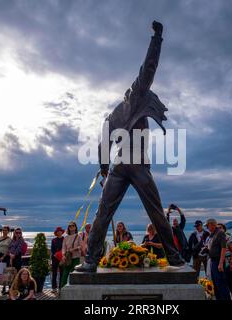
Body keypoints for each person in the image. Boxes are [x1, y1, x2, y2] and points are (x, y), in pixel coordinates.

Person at [75, 21, 185, 272]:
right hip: (134, 164)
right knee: (155, 212)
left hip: (118, 165)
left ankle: (91, 260)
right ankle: (175, 258)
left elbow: (104, 141)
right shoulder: (134, 97)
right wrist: (157, 39)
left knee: (104, 213)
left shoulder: (114, 113)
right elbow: (149, 67)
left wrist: (104, 167)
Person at [205, 218, 230, 300]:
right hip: (212, 261)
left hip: (217, 262)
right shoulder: (212, 234)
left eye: (207, 226)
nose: (207, 228)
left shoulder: (220, 233)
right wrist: (207, 250)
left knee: (221, 284)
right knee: (215, 284)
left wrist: (220, 263)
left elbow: (223, 248)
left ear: (212, 224)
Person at [218, 223, 232, 300]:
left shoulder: (227, 237)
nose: (219, 229)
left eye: (220, 227)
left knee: (230, 281)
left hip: (228, 260)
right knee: (222, 281)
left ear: (224, 229)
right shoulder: (216, 237)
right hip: (219, 261)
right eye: (218, 228)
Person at [60, 222, 82, 287]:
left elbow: (81, 246)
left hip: (75, 257)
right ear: (68, 228)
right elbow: (63, 247)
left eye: (73, 226)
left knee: (74, 274)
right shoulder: (66, 238)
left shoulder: (78, 236)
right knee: (65, 274)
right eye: (70, 226)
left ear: (75, 227)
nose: (71, 227)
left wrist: (75, 249)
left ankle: (73, 288)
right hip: (67, 257)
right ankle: (62, 289)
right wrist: (63, 255)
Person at [51, 226, 65, 292]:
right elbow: (52, 250)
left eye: (60, 231)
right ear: (56, 233)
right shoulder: (53, 240)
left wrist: (61, 256)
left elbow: (65, 248)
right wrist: (56, 255)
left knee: (62, 273)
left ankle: (61, 287)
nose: (59, 232)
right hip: (54, 258)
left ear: (62, 232)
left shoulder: (64, 239)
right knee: (54, 273)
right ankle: (54, 288)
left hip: (62, 258)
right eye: (58, 231)